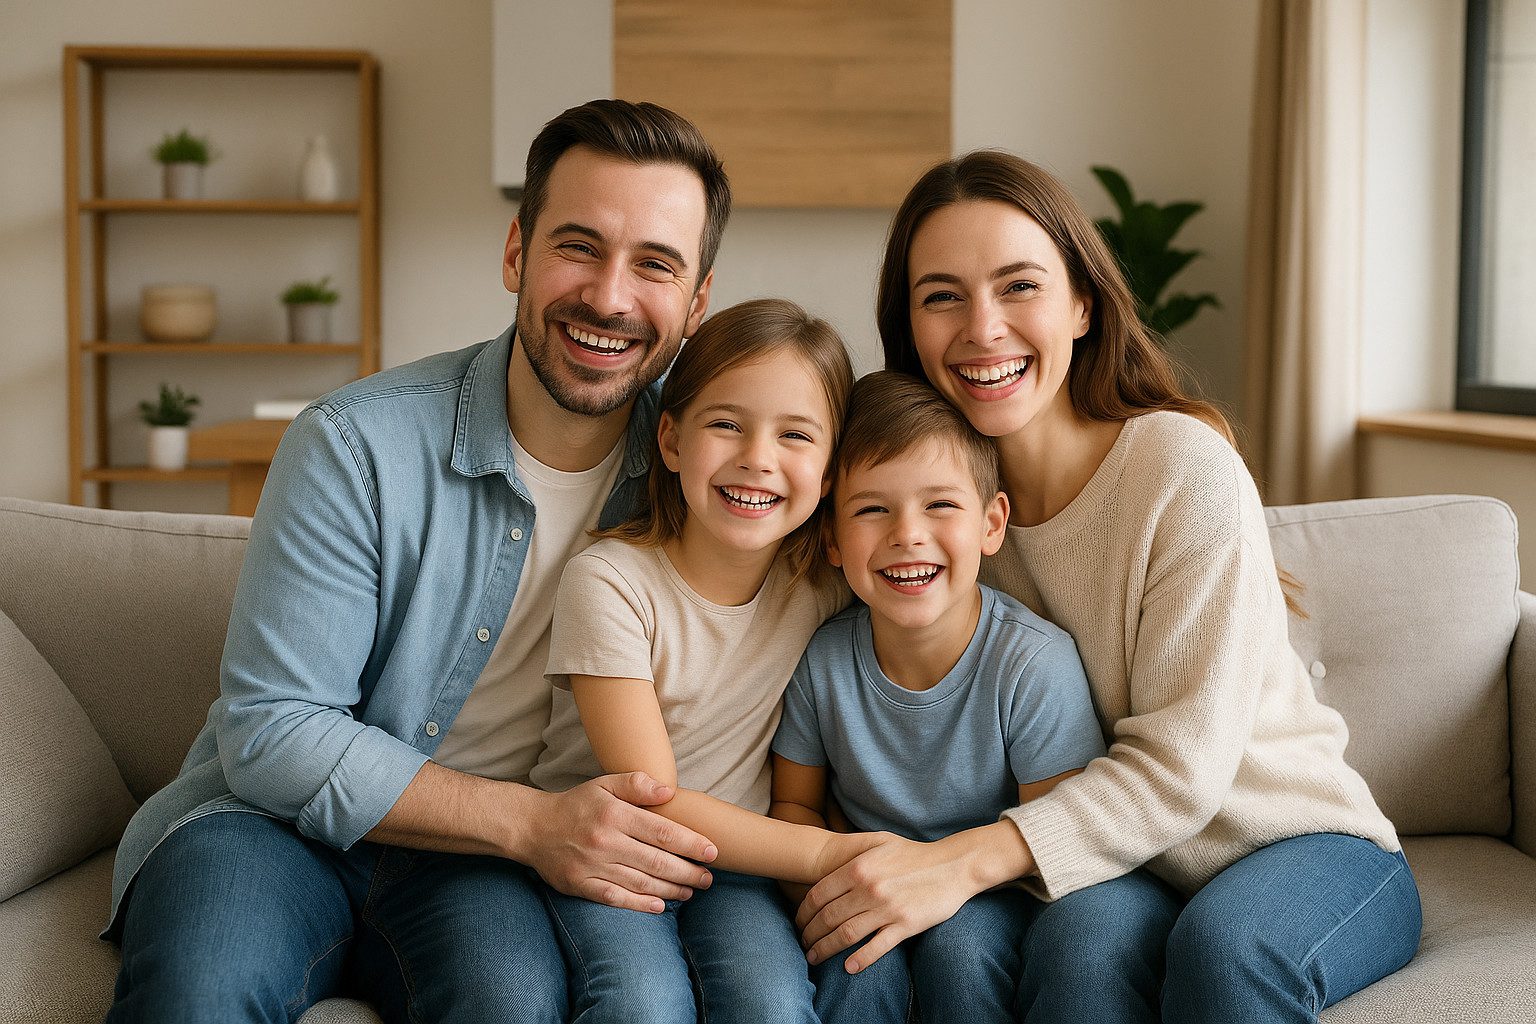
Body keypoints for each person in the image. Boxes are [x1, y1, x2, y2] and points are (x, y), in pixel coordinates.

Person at [104, 99, 735, 1023]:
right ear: (516, 252)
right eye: (578, 246)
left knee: (510, 1003)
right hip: (271, 831)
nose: (609, 296)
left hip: (473, 870)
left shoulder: (714, 465)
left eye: (655, 265)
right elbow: (275, 731)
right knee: (199, 993)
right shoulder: (353, 444)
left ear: (697, 302)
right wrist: (533, 825)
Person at [791, 150, 1422, 1023]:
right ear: (910, 328)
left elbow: (1181, 771)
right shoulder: (936, 523)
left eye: (1019, 287)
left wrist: (962, 861)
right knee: (1076, 950)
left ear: (1081, 305)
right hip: (1118, 870)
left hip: (1296, 846)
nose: (983, 328)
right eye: (942, 296)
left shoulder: (1179, 467)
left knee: (1226, 951)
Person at [530, 297, 872, 1023]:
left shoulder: (822, 586)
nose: (758, 458)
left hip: (741, 874)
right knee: (642, 1004)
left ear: (832, 469)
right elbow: (648, 797)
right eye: (726, 424)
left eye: (796, 436)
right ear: (672, 439)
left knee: (772, 1005)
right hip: (610, 856)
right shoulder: (611, 581)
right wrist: (819, 855)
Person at [772, 369, 1121, 1024]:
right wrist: (841, 890)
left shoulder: (1031, 664)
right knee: (850, 955)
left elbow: (1054, 842)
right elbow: (792, 803)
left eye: (940, 505)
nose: (908, 533)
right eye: (873, 508)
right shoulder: (822, 662)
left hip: (997, 891)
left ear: (992, 523)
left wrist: (939, 889)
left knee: (961, 954)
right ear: (832, 539)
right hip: (861, 879)